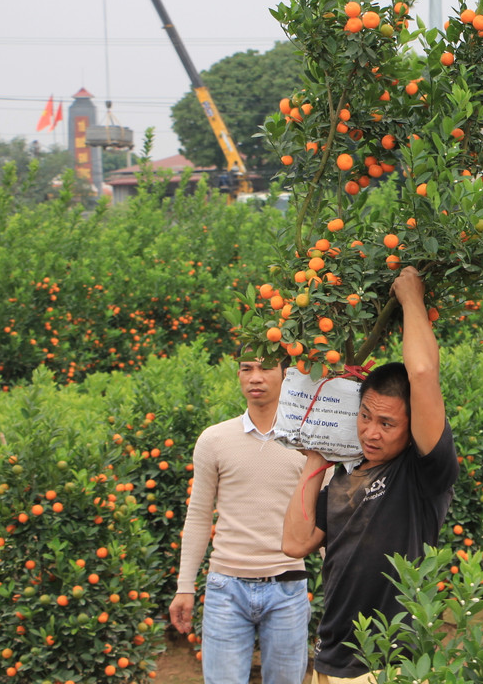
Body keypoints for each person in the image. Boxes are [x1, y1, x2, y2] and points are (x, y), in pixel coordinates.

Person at [283, 265, 460, 684]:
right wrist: (314, 464)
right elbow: (294, 543)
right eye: (365, 417)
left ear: (412, 425)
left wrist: (410, 297)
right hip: (331, 660)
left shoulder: (422, 473)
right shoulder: (345, 477)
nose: (370, 432)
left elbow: (421, 374)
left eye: (386, 424)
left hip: (390, 662)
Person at [170, 354, 312, 684]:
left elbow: (321, 515)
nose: (255, 377)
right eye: (247, 369)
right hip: (225, 588)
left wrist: (337, 588)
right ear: (238, 376)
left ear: (286, 374)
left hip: (288, 587)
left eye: (265, 368)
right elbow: (199, 515)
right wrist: (184, 586)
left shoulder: (308, 441)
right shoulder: (214, 440)